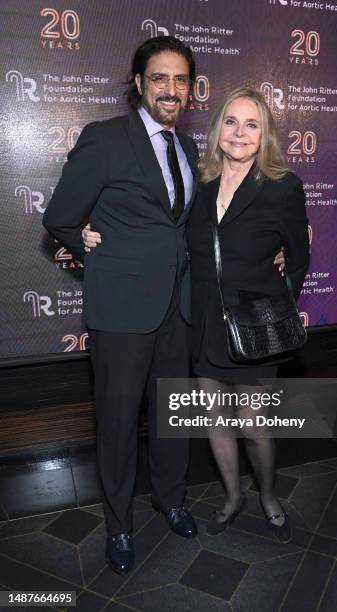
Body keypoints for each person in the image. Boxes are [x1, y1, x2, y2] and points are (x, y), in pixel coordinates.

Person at [83, 86, 309, 544]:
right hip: (202, 322)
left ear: (264, 134)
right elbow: (153, 223)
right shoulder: (197, 181)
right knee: (217, 422)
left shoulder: (283, 185)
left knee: (255, 427)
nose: (240, 132)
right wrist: (90, 229)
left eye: (251, 124)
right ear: (217, 128)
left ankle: (267, 494)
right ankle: (231, 496)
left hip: (256, 327)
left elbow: (299, 258)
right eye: (231, 121)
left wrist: (278, 301)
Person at [42, 36, 200, 576]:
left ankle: (170, 499)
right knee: (115, 425)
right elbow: (59, 217)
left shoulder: (188, 148)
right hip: (121, 315)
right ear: (139, 84)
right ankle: (120, 526)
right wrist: (91, 249)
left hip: (177, 310)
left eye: (181, 80)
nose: (171, 90)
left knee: (173, 417)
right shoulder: (105, 139)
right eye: (160, 78)